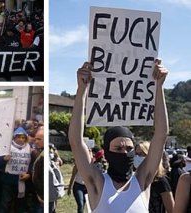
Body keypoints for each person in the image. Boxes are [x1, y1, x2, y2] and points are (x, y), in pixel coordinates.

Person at [68, 59, 168, 212]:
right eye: (118, 148)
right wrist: (82, 89)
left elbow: (161, 135)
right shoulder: (98, 182)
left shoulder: (142, 181)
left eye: (129, 148)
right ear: (107, 152)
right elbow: (75, 141)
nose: (125, 153)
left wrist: (159, 86)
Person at [135, 141, 174, 213]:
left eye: (141, 154)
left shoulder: (160, 181)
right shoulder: (133, 179)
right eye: (136, 154)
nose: (138, 157)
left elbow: (171, 209)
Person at [0, 127, 31, 213]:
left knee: (19, 204)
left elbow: (31, 164)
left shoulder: (29, 148)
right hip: (8, 179)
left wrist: (29, 174)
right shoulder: (7, 147)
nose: (21, 139)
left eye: (23, 137)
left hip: (22, 180)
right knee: (6, 203)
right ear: (14, 137)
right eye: (18, 137)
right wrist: (3, 159)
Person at [32, 128, 44, 213]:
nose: (36, 141)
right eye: (35, 139)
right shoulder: (37, 153)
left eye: (39, 139)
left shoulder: (44, 156)